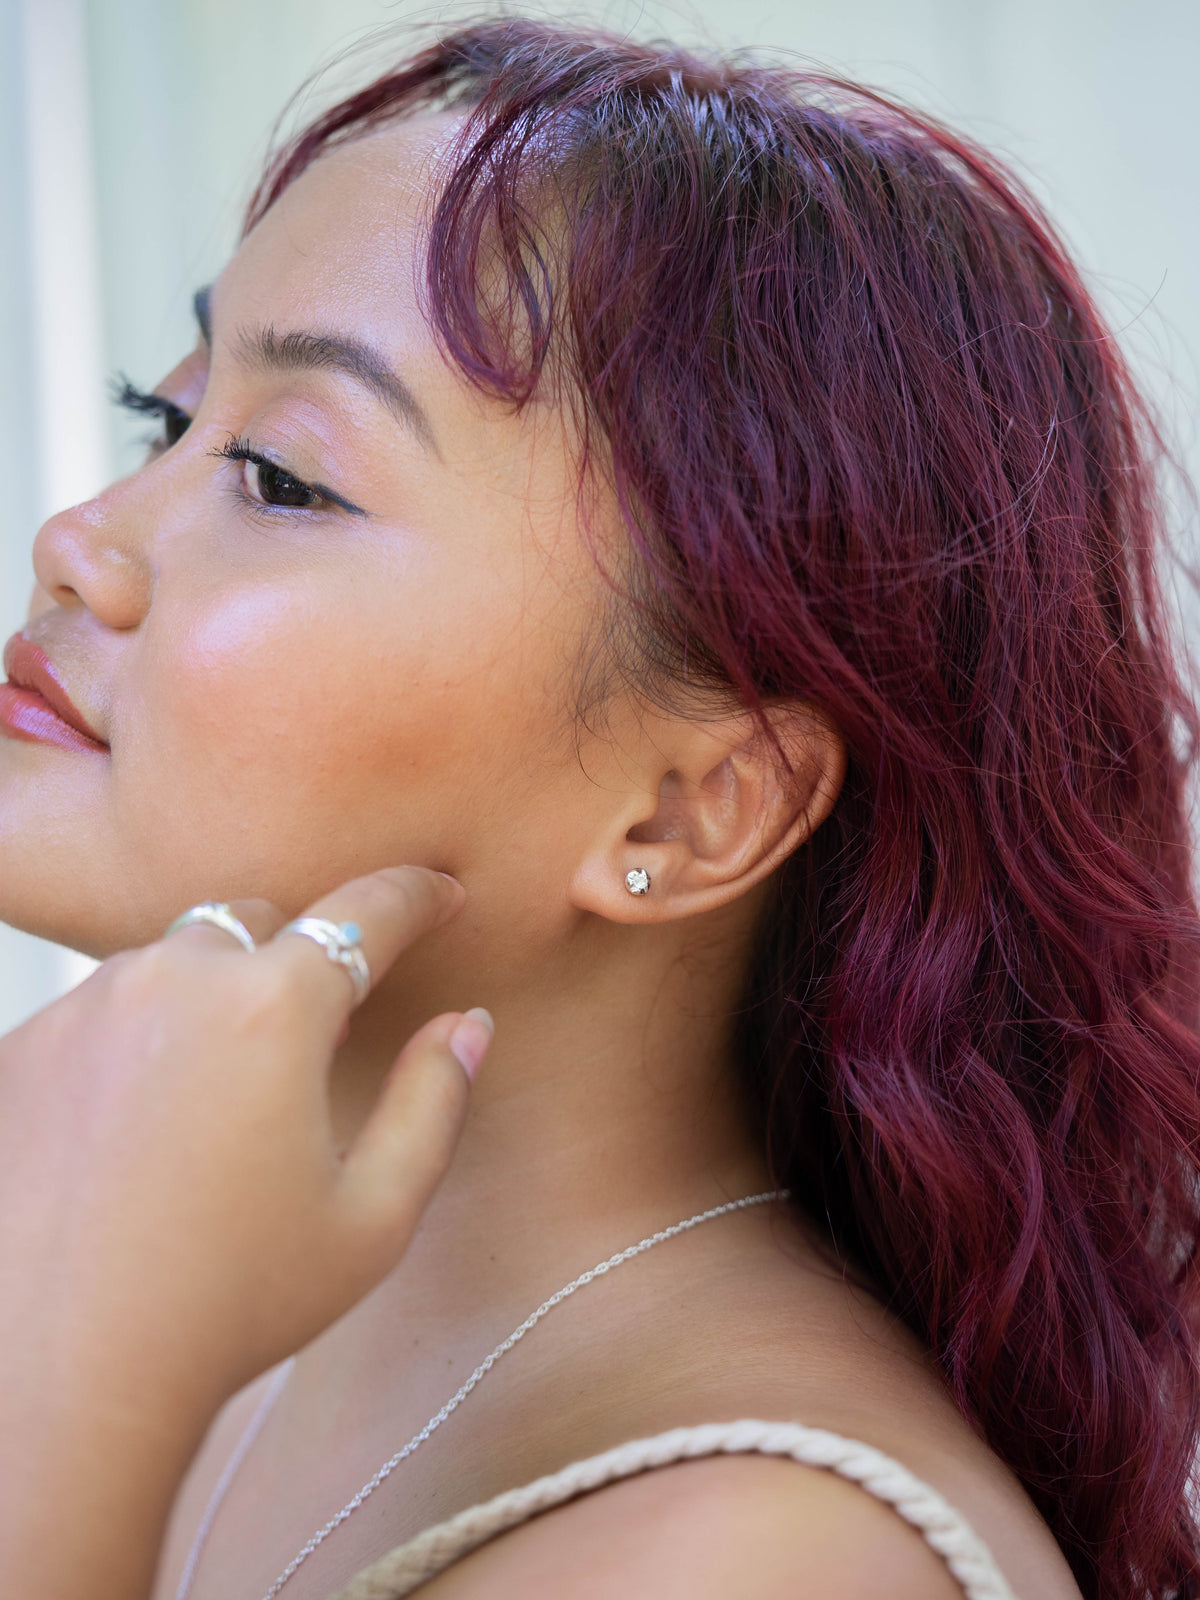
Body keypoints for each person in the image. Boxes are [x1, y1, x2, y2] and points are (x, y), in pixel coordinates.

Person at [0, 18, 1197, 1600]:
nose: (81, 540)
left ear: (695, 810)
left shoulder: (763, 1563)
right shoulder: (198, 1293)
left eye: (284, 478)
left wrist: (69, 1384)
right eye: (168, 421)